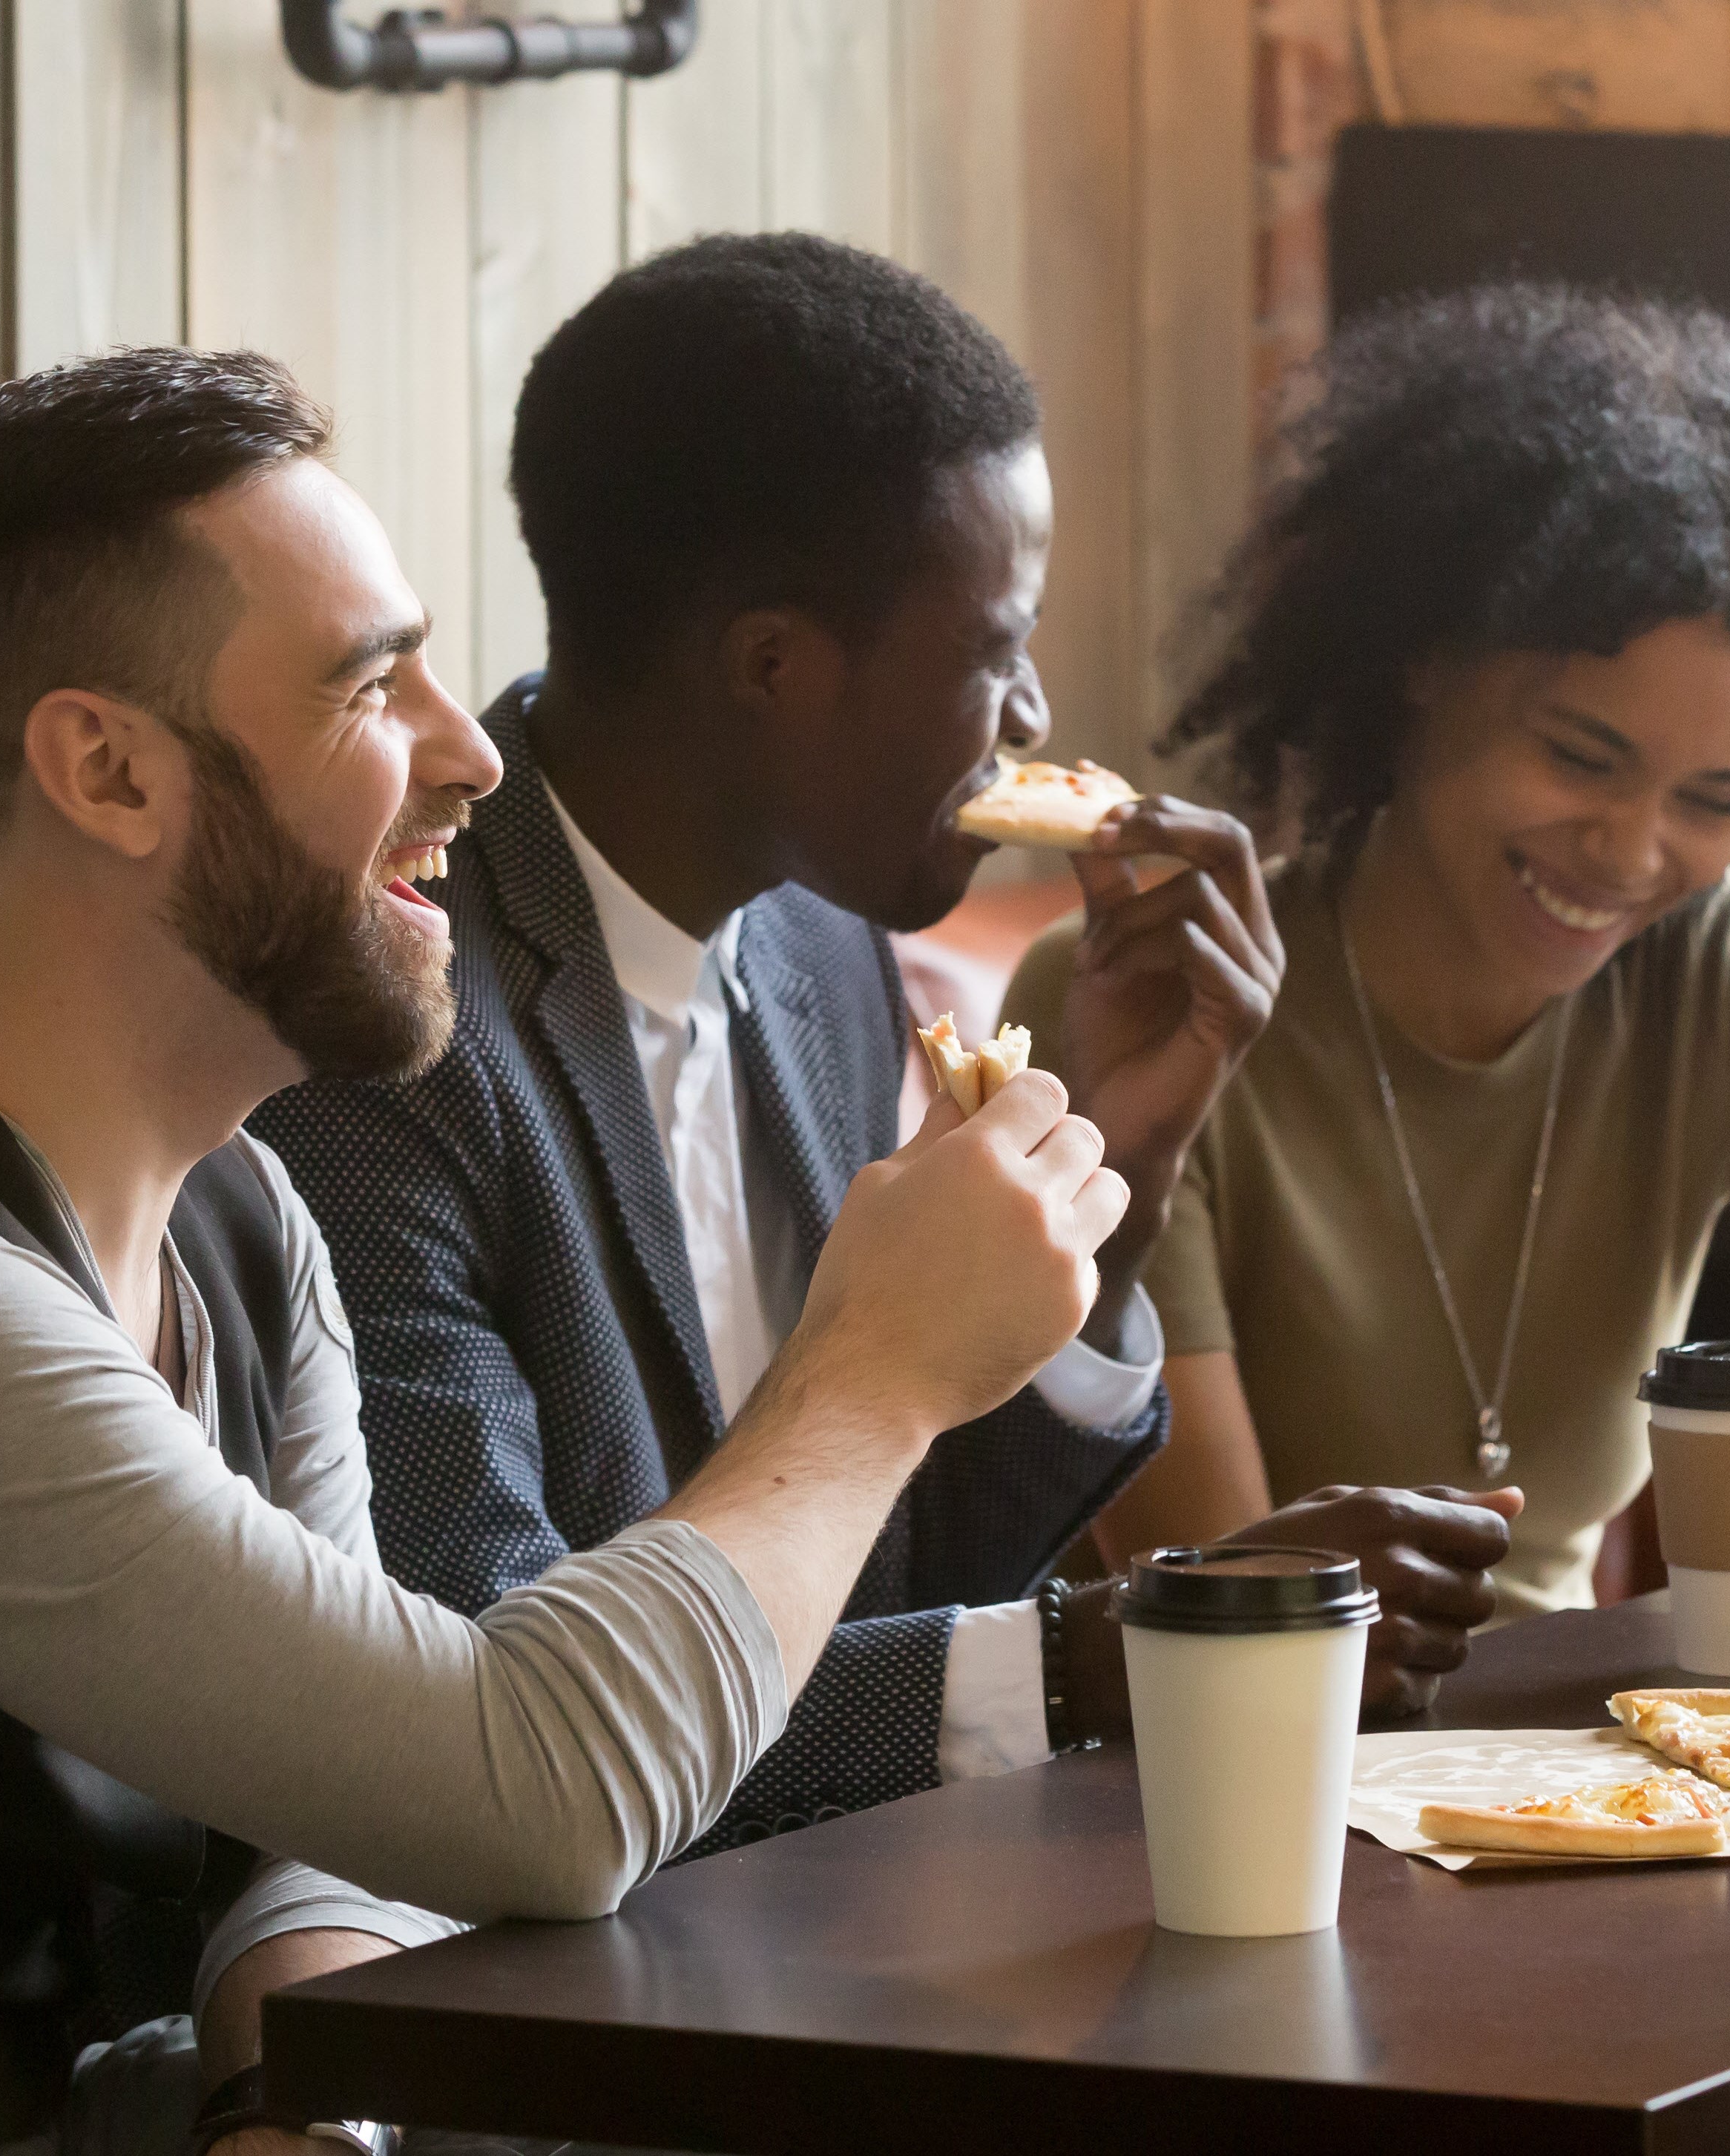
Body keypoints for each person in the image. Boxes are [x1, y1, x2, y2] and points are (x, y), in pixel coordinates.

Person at [0, 347, 1128, 2155]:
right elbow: (532, 1786)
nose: (466, 756)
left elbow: (327, 1807)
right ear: (110, 769)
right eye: (373, 690)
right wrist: (875, 1372)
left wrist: (285, 2112)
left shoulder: (236, 1211)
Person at [246, 236, 1511, 1929]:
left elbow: (896, 1579)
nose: (1039, 710)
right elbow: (509, 1726)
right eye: (999, 644)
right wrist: (1098, 1657)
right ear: (773, 666)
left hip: (844, 1944)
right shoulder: (385, 1036)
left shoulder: (829, 955)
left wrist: (1111, 1173)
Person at [1007, 286, 1730, 1615]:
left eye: (1713, 802)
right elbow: (1237, 1614)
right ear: (1421, 661)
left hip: (1560, 1777)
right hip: (1195, 1768)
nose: (1632, 851)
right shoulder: (1145, 1007)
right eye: (1581, 757)